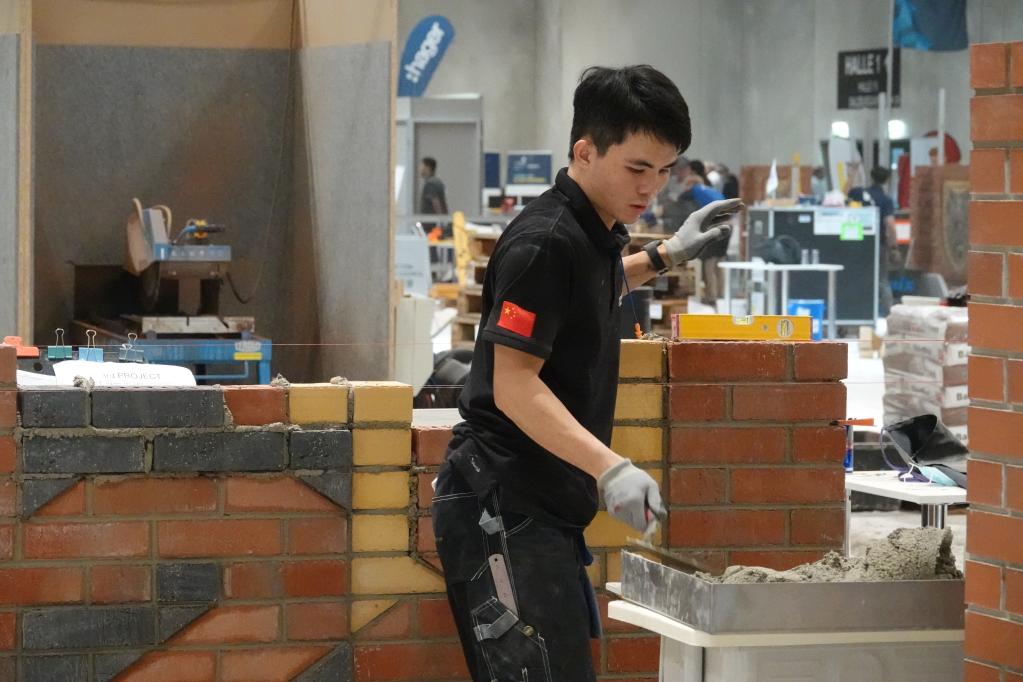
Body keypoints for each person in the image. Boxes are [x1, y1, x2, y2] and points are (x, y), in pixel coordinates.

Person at [431, 64, 741, 681]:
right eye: (637, 168)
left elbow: (584, 294)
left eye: (664, 170)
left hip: (538, 509)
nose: (651, 187)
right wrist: (610, 467)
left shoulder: (587, 231)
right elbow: (514, 385)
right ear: (584, 151)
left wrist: (664, 255)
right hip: (504, 509)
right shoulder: (546, 241)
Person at [848, 166, 897, 315]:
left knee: (857, 277)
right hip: (878, 244)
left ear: (871, 177)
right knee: (882, 280)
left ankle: (855, 312)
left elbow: (845, 191)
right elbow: (890, 225)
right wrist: (893, 246)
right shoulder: (886, 200)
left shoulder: (858, 193)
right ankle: (889, 314)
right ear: (886, 180)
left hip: (857, 243)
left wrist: (853, 172)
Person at [680, 162, 729, 305]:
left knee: (709, 262)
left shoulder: (694, 190)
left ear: (690, 184)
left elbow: (679, 200)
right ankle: (721, 295)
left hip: (715, 226)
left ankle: (711, 296)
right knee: (719, 261)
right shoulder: (709, 189)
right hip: (728, 224)